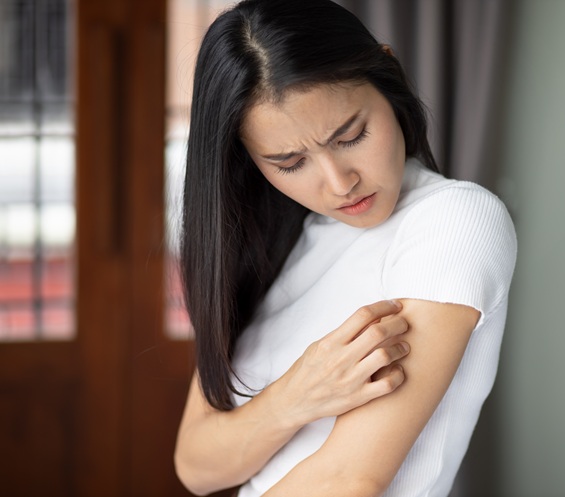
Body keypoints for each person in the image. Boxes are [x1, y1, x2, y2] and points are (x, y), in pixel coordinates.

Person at [173, 1, 516, 496]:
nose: (340, 183)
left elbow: (350, 479)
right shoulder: (275, 240)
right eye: (290, 163)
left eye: (351, 134)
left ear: (388, 76)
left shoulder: (452, 220)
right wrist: (295, 396)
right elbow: (197, 465)